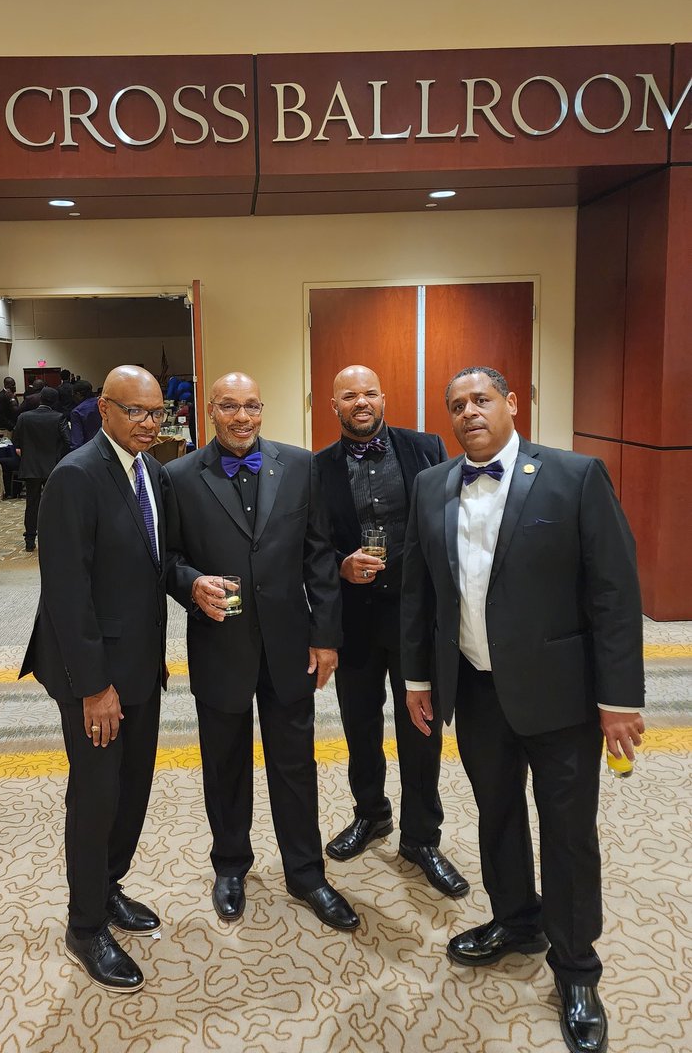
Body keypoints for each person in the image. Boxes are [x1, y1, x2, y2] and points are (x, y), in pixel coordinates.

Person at [401, 366, 645, 1053]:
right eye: (456, 404)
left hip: (564, 696)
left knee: (567, 832)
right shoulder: (431, 485)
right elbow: (419, 594)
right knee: (497, 813)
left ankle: (575, 968)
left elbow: (614, 594)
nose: (468, 411)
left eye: (481, 399)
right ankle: (516, 922)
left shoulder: (575, 476)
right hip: (475, 689)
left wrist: (618, 699)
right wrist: (420, 678)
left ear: (513, 404)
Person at [164, 372, 359, 932]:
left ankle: (306, 872)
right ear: (210, 411)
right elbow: (168, 558)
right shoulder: (178, 475)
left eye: (252, 405)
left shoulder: (299, 466)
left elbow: (319, 556)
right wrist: (190, 582)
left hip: (289, 644)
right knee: (224, 763)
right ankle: (230, 864)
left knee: (295, 763)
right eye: (230, 406)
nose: (242, 417)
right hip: (219, 643)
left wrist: (325, 636)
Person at [19, 366, 171, 994]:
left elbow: (159, 565)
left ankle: (109, 887)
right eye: (136, 413)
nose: (149, 425)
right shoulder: (76, 476)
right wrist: (94, 688)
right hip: (95, 674)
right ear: (104, 410)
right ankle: (85, 925)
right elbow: (67, 593)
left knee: (133, 785)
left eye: (157, 414)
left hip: (140, 663)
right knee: (96, 795)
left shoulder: (151, 473)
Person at [315, 365, 468, 897]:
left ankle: (422, 836)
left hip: (415, 616)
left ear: (384, 397)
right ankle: (371, 813)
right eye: (349, 395)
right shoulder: (317, 469)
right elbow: (311, 545)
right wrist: (340, 564)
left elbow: (451, 521)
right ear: (332, 405)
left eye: (370, 393)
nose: (361, 402)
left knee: (421, 729)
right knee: (360, 726)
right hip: (354, 619)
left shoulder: (424, 447)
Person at [12, 385, 70, 552]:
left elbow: (16, 440)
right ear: (55, 401)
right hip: (53, 467)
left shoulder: (24, 417)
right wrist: (59, 457)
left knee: (32, 504)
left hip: (30, 467)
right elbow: (68, 441)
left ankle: (30, 540)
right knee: (54, 504)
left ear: (40, 399)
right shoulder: (59, 417)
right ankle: (55, 538)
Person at [70, 379, 103, 449]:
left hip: (89, 451)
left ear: (78, 394)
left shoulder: (77, 412)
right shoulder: (102, 405)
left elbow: (77, 442)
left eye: (73, 395)